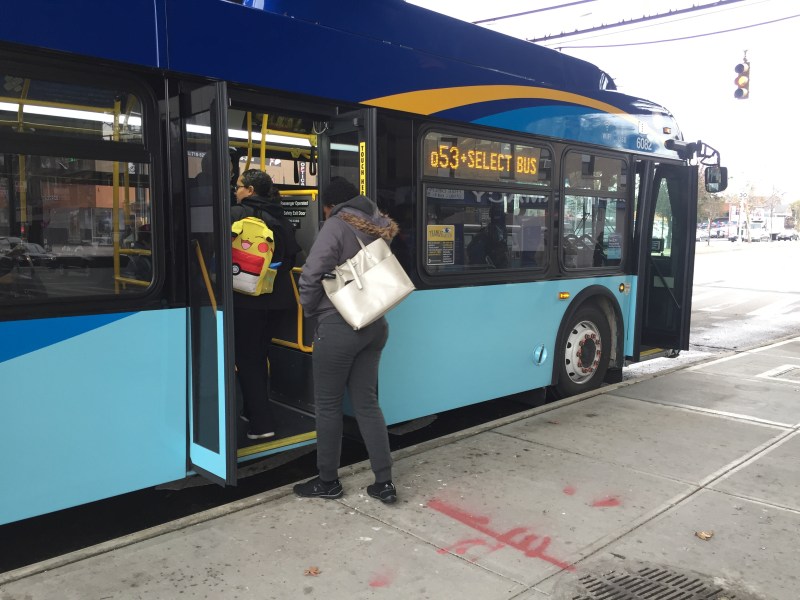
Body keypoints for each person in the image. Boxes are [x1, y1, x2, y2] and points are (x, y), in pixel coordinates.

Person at [294, 178, 399, 504]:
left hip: (339, 326)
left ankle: (328, 481)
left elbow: (312, 274)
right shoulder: (379, 225)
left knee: (328, 406)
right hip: (374, 324)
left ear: (330, 205)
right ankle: (384, 482)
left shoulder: (335, 226)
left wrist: (308, 307)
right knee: (367, 403)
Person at [231, 169, 301, 440]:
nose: (236, 191)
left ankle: (262, 425)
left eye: (239, 187)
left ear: (249, 190)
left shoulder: (236, 215)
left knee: (246, 359)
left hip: (246, 300)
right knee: (258, 356)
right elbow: (291, 259)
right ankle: (251, 410)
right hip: (278, 300)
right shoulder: (279, 215)